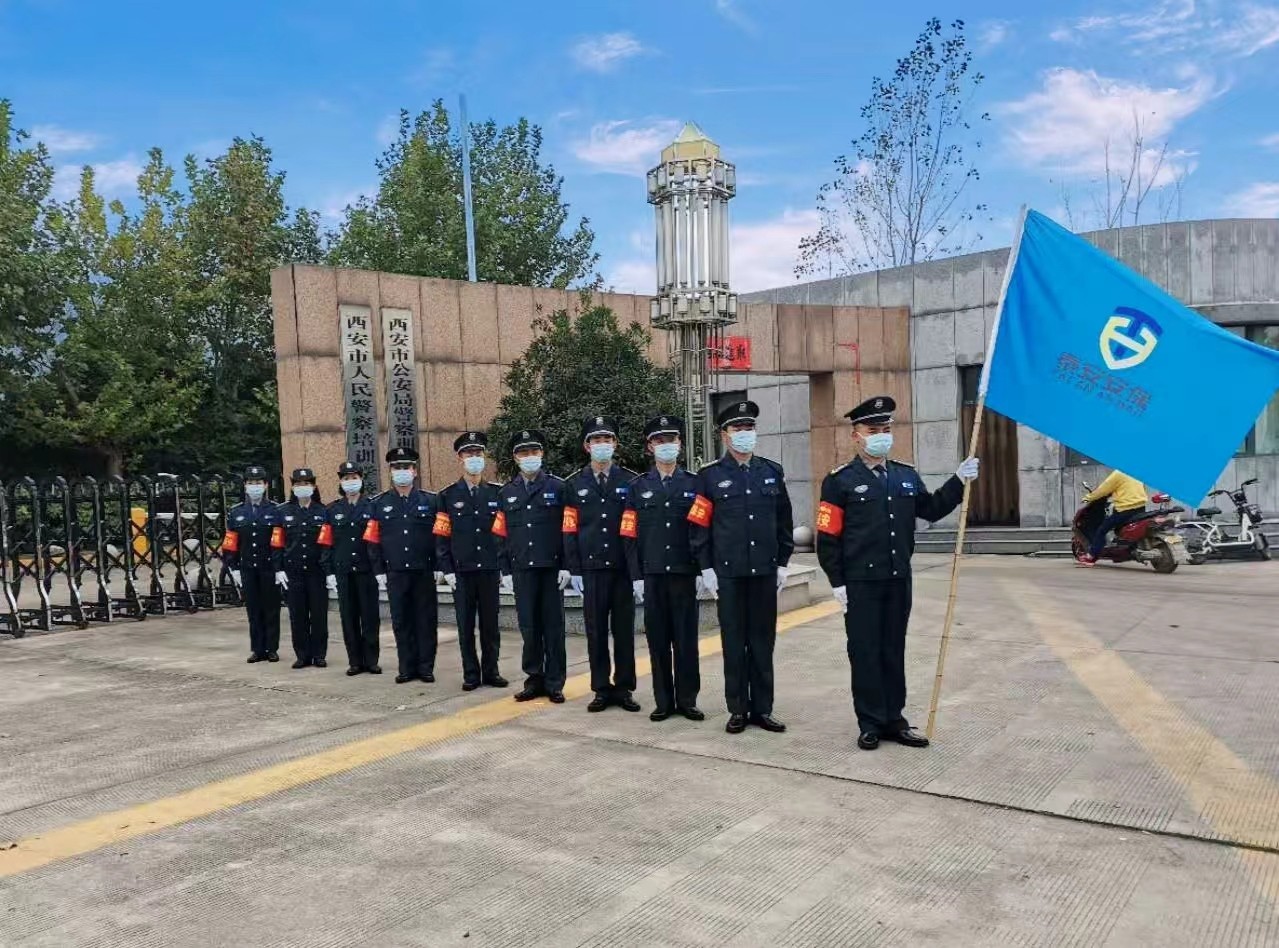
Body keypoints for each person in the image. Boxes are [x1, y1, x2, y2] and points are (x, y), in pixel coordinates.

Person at [815, 395, 980, 751]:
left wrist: (958, 480)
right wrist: (838, 583)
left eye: (886, 430)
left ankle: (894, 719)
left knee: (893, 649)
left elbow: (931, 509)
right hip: (860, 583)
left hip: (897, 579)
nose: (881, 436)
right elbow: (827, 539)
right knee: (865, 652)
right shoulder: (840, 481)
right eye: (873, 430)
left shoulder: (905, 475)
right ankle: (870, 722)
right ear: (856, 435)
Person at [689, 400, 794, 735]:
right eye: (738, 428)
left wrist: (782, 562)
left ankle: (763, 709)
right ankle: (738, 708)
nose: (745, 433)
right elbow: (699, 527)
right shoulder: (709, 476)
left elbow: (784, 521)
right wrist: (706, 568)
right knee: (734, 643)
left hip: (764, 572)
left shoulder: (771, 471)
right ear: (724, 435)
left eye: (749, 428)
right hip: (729, 574)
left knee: (763, 642)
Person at [622, 415, 704, 722]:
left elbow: (702, 530)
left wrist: (702, 570)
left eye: (671, 439)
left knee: (686, 641)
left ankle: (688, 700)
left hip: (684, 573)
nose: (666, 445)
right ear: (650, 447)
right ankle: (663, 701)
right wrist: (636, 576)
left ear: (680, 444)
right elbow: (629, 535)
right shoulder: (637, 488)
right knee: (657, 642)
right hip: (652, 575)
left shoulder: (695, 484)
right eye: (659, 441)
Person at [563, 415, 641, 714]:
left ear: (615, 444)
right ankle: (600, 688)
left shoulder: (631, 481)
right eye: (596, 440)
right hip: (591, 569)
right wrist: (574, 569)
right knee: (595, 632)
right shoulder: (574, 484)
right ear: (587, 446)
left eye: (607, 439)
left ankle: (624, 688)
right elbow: (569, 529)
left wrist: (637, 570)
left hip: (622, 569)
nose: (602, 444)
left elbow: (635, 527)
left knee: (624, 632)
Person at [495, 428, 571, 704]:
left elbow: (568, 529)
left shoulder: (559, 488)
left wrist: (567, 565)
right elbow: (500, 535)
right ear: (516, 457)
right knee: (529, 627)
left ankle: (555, 683)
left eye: (534, 451)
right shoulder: (506, 492)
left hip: (551, 569)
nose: (529, 457)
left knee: (553, 628)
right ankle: (534, 679)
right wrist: (504, 570)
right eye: (523, 452)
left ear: (542, 453)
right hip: (522, 569)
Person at [435, 431, 509, 691]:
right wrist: (446, 569)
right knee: (465, 626)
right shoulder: (446, 496)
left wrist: (504, 567)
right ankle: (470, 673)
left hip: (489, 569)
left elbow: (503, 534)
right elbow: (441, 536)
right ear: (460, 458)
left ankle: (491, 671)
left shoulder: (497, 493)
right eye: (469, 454)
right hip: (462, 571)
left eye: (478, 453)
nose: (474, 458)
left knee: (491, 625)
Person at [365, 446, 441, 685]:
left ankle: (425, 667)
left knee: (425, 621)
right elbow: (372, 541)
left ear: (414, 471)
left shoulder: (431, 500)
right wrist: (378, 570)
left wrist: (440, 565)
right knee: (401, 621)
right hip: (395, 572)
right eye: (397, 467)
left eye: (406, 467)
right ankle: (406, 667)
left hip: (423, 571)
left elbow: (440, 536)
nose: (401, 471)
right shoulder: (378, 504)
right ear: (390, 472)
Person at [322, 461, 381, 676]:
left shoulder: (372, 507)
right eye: (346, 478)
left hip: (367, 570)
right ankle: (355, 661)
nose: (350, 482)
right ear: (340, 482)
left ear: (361, 480)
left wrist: (379, 570)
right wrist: (328, 571)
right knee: (349, 618)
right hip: (343, 571)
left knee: (370, 617)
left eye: (354, 478)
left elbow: (377, 541)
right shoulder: (332, 510)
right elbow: (327, 543)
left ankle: (371, 660)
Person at [220, 465, 283, 663]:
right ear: (245, 486)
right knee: (253, 609)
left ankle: (272, 648)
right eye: (250, 483)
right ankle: (257, 649)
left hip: (269, 567)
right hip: (247, 568)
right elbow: (230, 542)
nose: (254, 486)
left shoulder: (275, 510)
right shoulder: (236, 512)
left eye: (258, 482)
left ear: (265, 485)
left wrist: (279, 567)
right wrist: (232, 567)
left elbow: (279, 542)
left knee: (271, 608)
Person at [272, 468, 331, 669]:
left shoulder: (323, 512)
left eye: (306, 484)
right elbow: (277, 543)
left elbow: (326, 544)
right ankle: (302, 655)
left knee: (319, 615)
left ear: (313, 486)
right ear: (293, 487)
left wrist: (328, 570)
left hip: (317, 571)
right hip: (293, 571)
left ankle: (319, 654)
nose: (302, 487)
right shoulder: (283, 512)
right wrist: (278, 568)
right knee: (297, 615)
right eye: (298, 484)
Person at [1079, 469, 1149, 566]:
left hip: (1125, 509)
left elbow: (1104, 488)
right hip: (1141, 508)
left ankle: (1091, 556)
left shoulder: (1119, 473)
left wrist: (1088, 497)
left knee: (1102, 530)